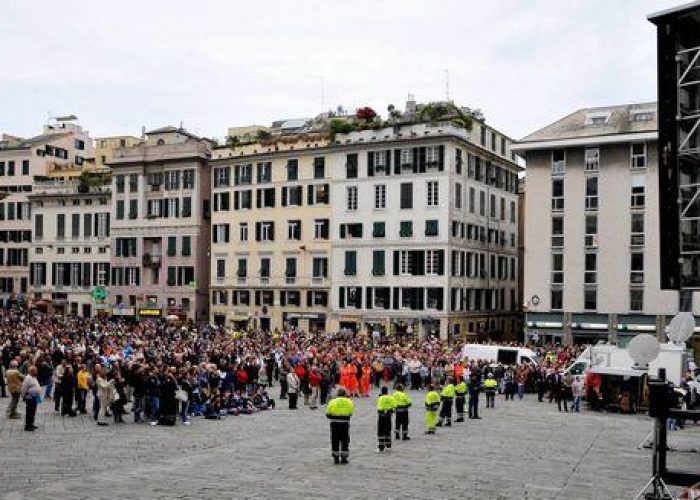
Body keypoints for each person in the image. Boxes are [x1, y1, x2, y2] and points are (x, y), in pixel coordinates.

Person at [325, 388, 354, 464]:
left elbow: (327, 413)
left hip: (334, 424)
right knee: (345, 440)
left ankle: (336, 458)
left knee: (335, 440)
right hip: (345, 423)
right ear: (345, 394)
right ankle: (344, 458)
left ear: (337, 394)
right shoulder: (349, 402)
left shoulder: (332, 402)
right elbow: (351, 412)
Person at [20, 365, 41, 431]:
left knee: (33, 411)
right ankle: (27, 426)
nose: (37, 372)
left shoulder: (34, 377)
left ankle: (31, 423)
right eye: (35, 371)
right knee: (29, 411)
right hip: (29, 396)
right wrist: (23, 396)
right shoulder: (27, 378)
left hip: (34, 396)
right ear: (32, 371)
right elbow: (24, 388)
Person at [376, 386, 396, 452]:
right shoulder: (391, 398)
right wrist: (389, 411)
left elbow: (378, 407)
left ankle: (381, 447)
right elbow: (394, 407)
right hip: (388, 417)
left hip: (381, 417)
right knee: (388, 430)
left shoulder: (380, 398)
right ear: (387, 391)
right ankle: (388, 446)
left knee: (381, 431)